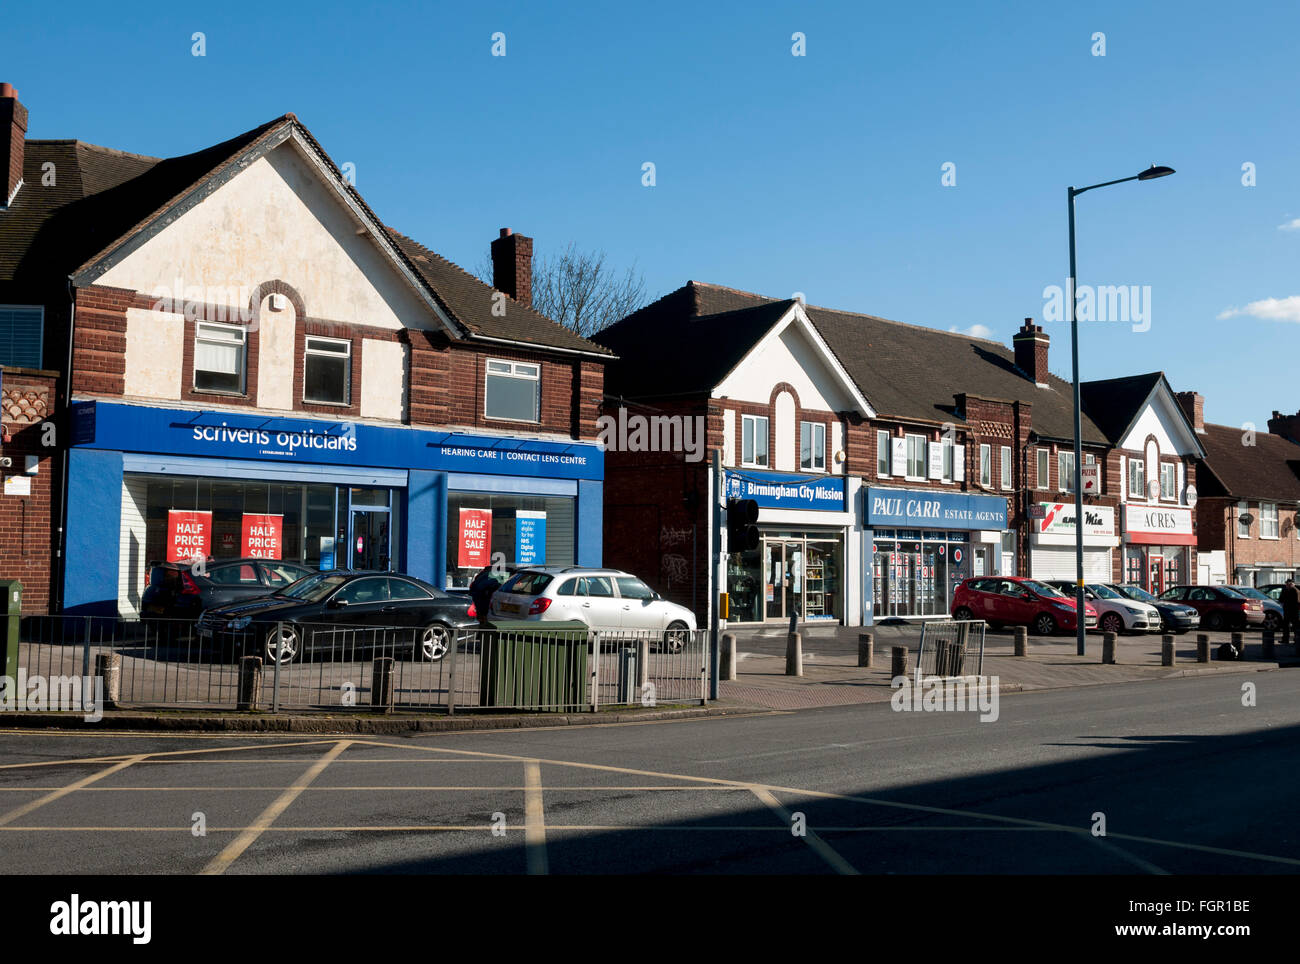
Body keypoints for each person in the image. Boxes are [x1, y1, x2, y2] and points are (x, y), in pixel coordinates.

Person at [1280, 578, 1300, 648]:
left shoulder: (1296, 591)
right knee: (1285, 625)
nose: (1288, 585)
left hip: (1294, 610)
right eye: (1287, 584)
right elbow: (1281, 599)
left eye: (1290, 584)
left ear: (1293, 584)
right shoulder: (1284, 590)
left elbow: (1298, 602)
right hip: (1286, 610)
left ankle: (1297, 639)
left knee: (1296, 626)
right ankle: (1285, 639)